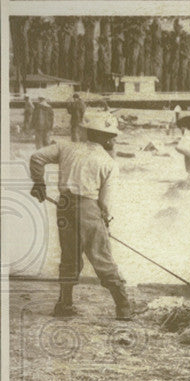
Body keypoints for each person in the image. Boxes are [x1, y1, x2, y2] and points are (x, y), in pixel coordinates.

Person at [29, 112, 133, 320]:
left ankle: (64, 304)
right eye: (111, 136)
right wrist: (105, 220)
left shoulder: (66, 147)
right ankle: (123, 307)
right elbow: (105, 202)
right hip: (88, 208)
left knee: (69, 256)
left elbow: (36, 157)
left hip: (64, 206)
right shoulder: (108, 162)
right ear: (104, 138)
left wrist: (39, 183)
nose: (113, 140)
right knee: (101, 257)